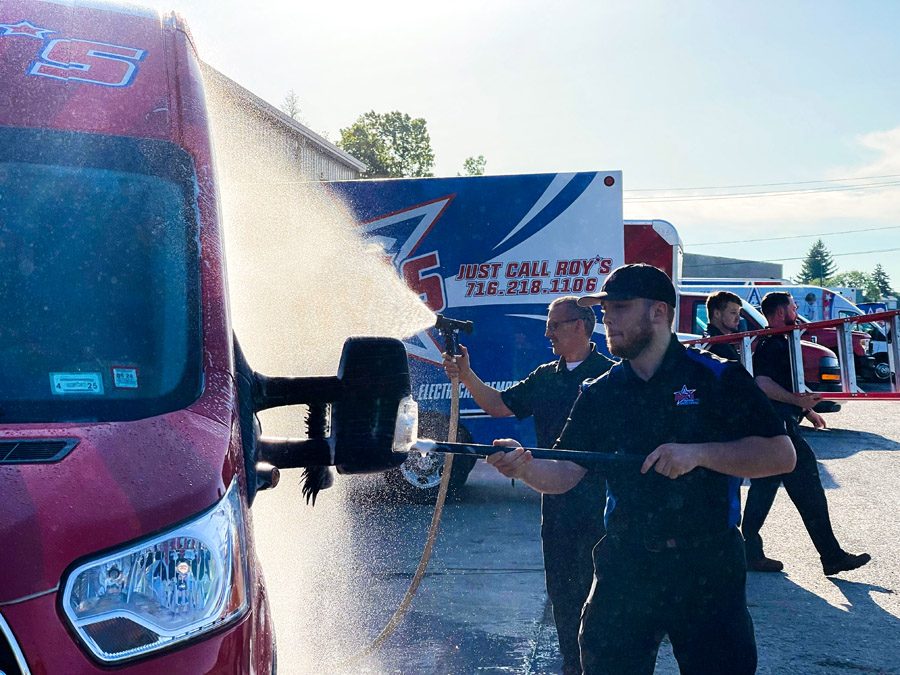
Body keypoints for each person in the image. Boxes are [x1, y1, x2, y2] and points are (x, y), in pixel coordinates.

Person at [487, 264, 796, 675]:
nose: (608, 319)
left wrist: (699, 454)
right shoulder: (601, 392)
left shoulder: (717, 376)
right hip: (626, 562)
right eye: (605, 309)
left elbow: (781, 455)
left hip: (707, 564)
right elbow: (564, 473)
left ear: (659, 312)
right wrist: (524, 466)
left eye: (620, 307)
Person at [442, 296, 613, 675]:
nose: (547, 332)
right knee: (563, 591)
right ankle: (573, 663)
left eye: (554, 325)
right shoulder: (545, 376)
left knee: (605, 593)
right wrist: (466, 375)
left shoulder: (612, 375)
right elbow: (498, 405)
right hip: (556, 502)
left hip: (604, 506)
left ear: (580, 326)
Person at [741, 291, 871, 575]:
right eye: (793, 307)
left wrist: (807, 411)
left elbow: (783, 384)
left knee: (765, 489)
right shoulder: (771, 344)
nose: (797, 310)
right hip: (778, 430)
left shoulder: (782, 341)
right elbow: (763, 384)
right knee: (808, 491)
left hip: (777, 427)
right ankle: (831, 556)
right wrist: (796, 402)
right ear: (780, 313)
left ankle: (748, 551)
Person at [703, 290, 743, 362]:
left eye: (738, 313)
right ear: (717, 314)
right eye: (733, 313)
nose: (738, 318)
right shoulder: (716, 346)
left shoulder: (714, 341)